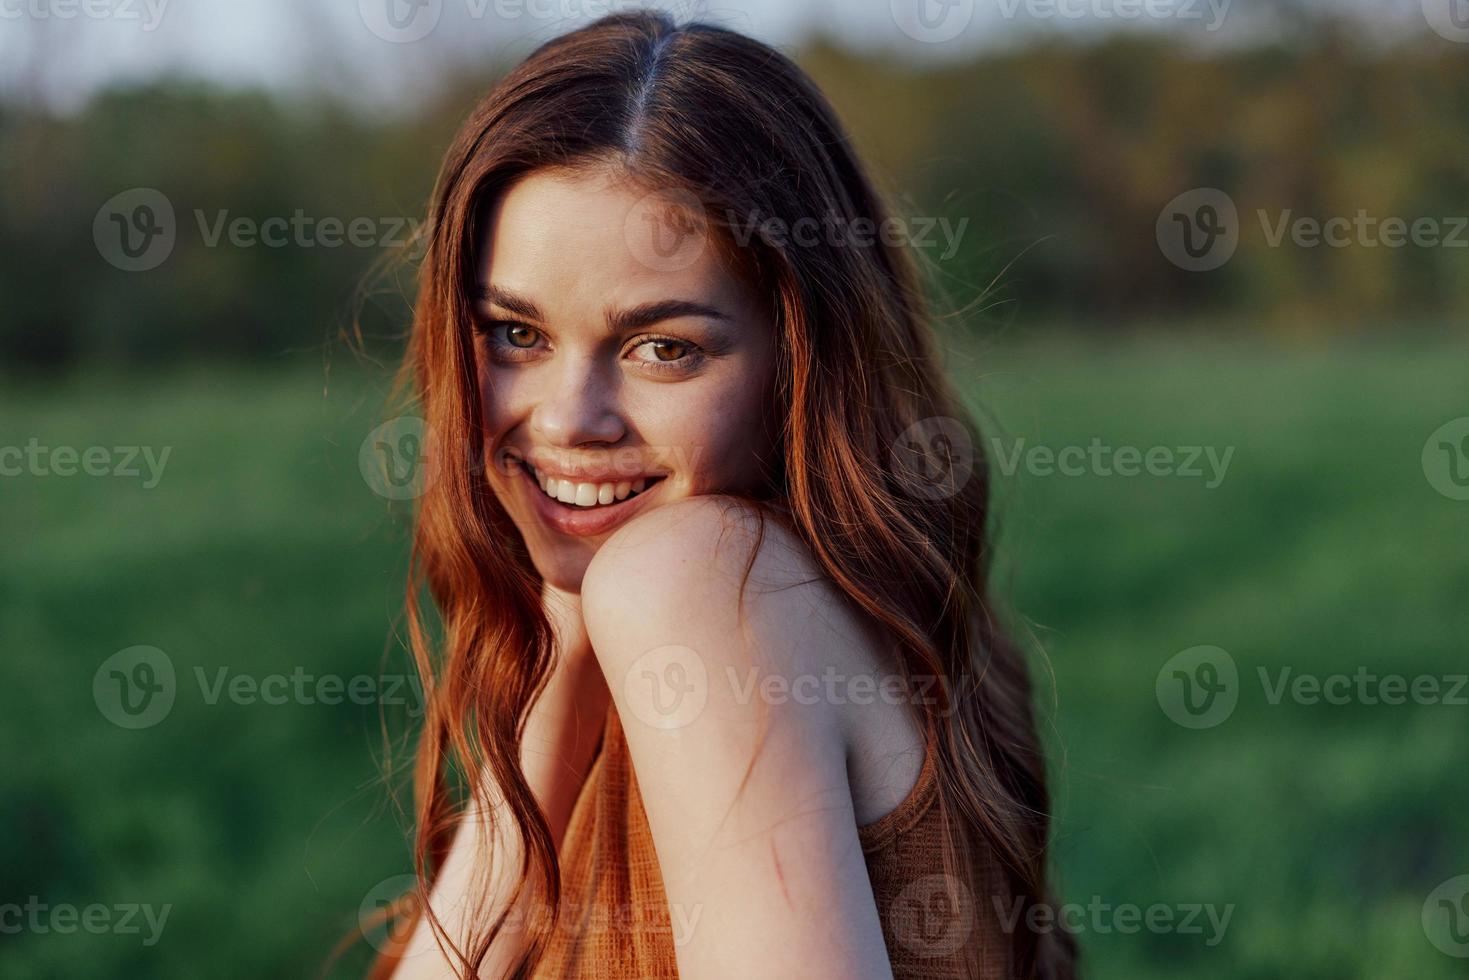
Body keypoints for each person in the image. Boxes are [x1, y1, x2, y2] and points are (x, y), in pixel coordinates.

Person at [368, 10, 1074, 979]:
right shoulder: (815, 599)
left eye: (664, 347)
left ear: (801, 356)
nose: (571, 418)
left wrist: (628, 588)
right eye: (514, 334)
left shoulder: (702, 585)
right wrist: (561, 656)